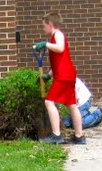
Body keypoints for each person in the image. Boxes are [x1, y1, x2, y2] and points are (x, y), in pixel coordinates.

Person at [34, 11, 85, 144]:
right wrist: (48, 75)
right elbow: (60, 61)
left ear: (50, 24)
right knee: (71, 105)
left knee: (49, 102)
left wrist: (45, 44)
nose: (43, 28)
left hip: (63, 76)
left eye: (44, 26)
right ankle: (79, 136)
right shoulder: (54, 38)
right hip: (67, 74)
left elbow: (60, 48)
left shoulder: (58, 34)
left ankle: (56, 135)